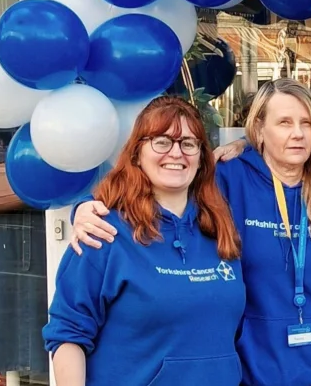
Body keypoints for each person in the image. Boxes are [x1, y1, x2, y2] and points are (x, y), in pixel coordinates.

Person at [71, 79, 311, 386]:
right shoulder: (227, 178)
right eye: (284, 122)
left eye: (306, 123)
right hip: (249, 375)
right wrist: (86, 208)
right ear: (258, 128)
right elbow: (156, 191)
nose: (297, 133)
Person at [43, 96, 245, 386]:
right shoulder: (103, 232)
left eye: (188, 143)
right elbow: (68, 334)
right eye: (162, 141)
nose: (176, 153)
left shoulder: (220, 229)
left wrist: (244, 142)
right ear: (137, 153)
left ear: (201, 158)